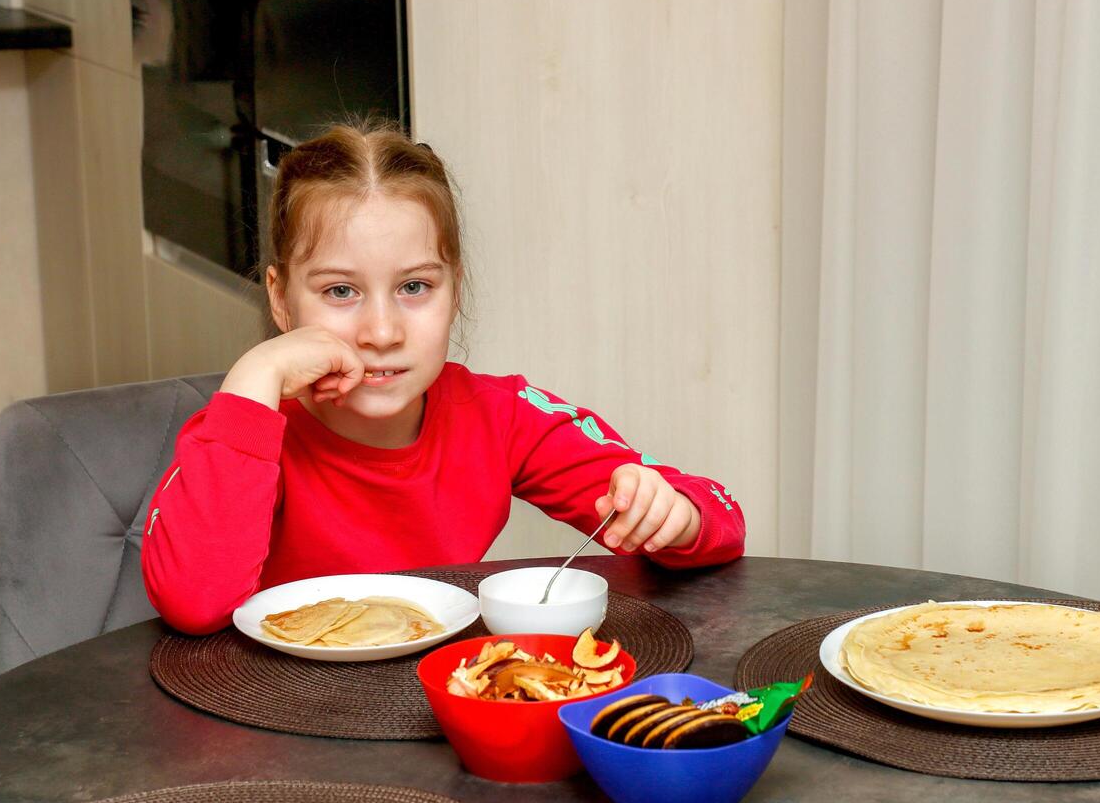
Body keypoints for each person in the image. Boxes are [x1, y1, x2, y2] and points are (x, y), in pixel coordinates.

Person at [141, 122, 745, 634]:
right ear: (281, 300)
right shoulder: (240, 431)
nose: (382, 331)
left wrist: (674, 516)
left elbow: (717, 519)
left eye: (414, 287)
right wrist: (257, 372)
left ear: (454, 290)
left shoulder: (500, 414)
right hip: (275, 722)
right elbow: (194, 605)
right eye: (340, 291)